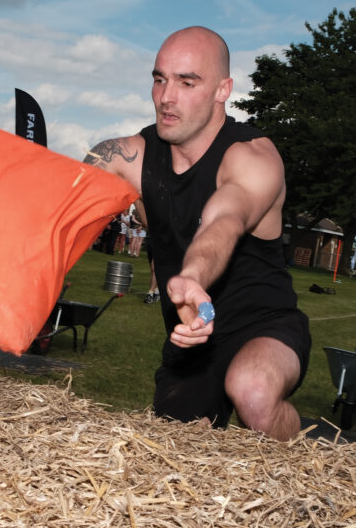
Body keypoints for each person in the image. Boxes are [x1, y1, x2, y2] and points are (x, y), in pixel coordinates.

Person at [83, 26, 310, 441]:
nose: (166, 97)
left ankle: (300, 452)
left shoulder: (253, 156)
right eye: (159, 79)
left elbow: (224, 219)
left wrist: (192, 278)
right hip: (190, 339)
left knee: (253, 393)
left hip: (263, 327)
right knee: (171, 453)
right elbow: (61, 201)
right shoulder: (125, 157)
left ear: (223, 90)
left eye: (187, 82)